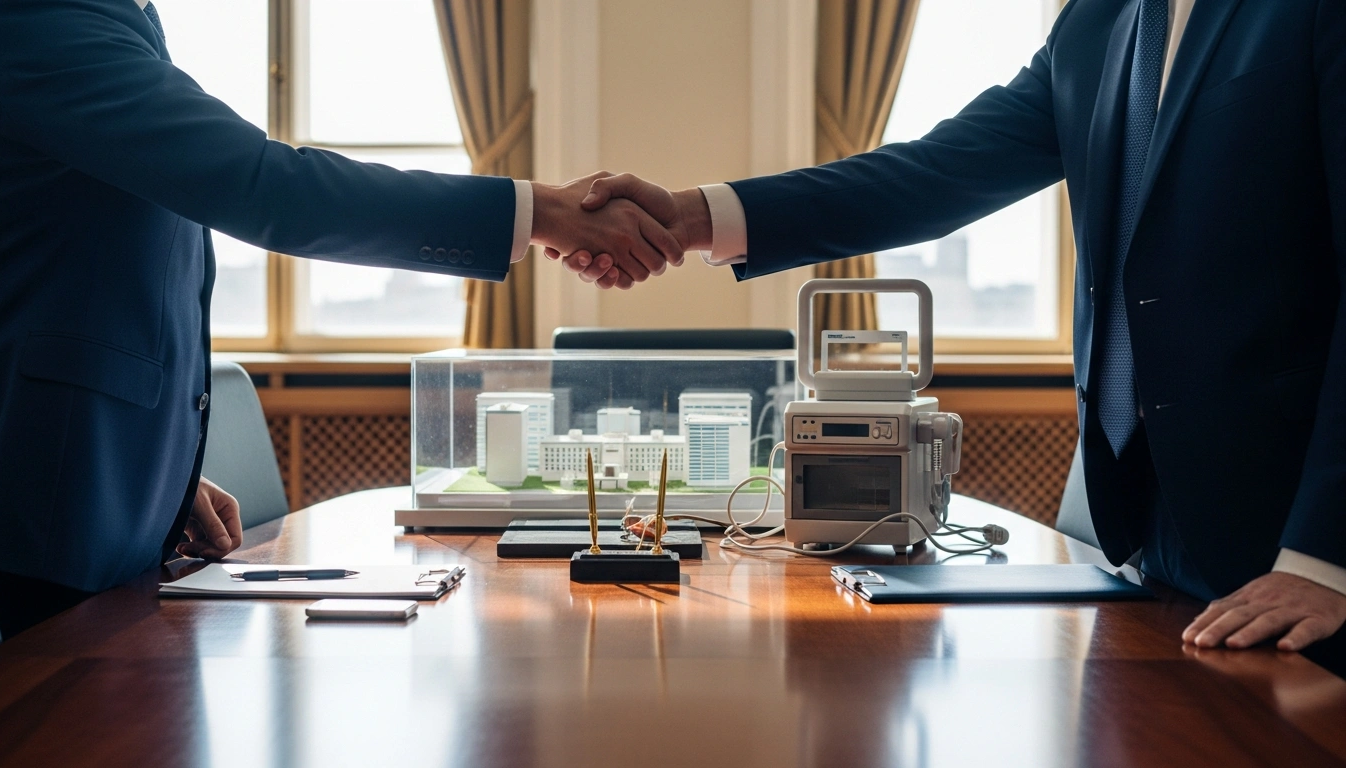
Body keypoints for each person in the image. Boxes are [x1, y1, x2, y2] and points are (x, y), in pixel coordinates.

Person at [560, 0, 1346, 667]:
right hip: (1143, 533)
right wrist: (689, 217)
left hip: (1300, 550)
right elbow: (936, 173)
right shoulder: (1098, 21)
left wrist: (1325, 559)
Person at [0, 0, 679, 638]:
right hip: (30, 509)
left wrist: (161, 473)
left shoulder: (101, 19)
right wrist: (541, 211)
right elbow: (265, 187)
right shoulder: (39, 18)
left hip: (83, 493)